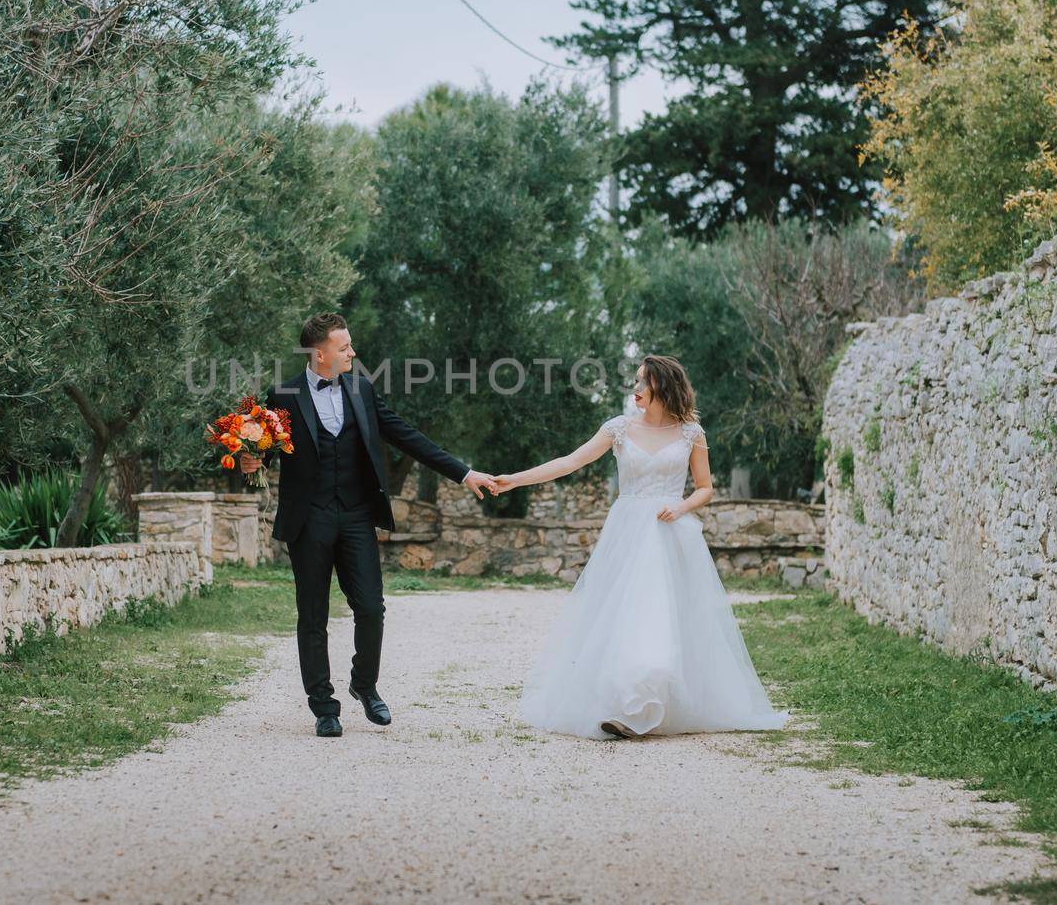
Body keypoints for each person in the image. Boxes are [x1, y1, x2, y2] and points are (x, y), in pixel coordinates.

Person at [493, 355, 790, 739]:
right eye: (634, 382)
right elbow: (569, 462)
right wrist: (514, 481)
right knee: (623, 616)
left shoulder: (691, 433)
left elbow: (705, 487)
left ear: (662, 387)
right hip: (627, 532)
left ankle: (644, 706)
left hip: (668, 533)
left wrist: (681, 507)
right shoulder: (618, 429)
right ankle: (625, 706)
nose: (634, 389)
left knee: (661, 617)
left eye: (642, 383)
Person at [243, 313, 498, 738]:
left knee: (370, 608)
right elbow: (266, 447)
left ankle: (364, 684)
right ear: (320, 353)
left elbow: (405, 434)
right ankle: (324, 705)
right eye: (344, 347)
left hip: (357, 515)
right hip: (309, 518)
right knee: (313, 614)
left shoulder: (361, 389)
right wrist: (252, 459)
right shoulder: (283, 394)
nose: (352, 353)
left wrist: (463, 472)